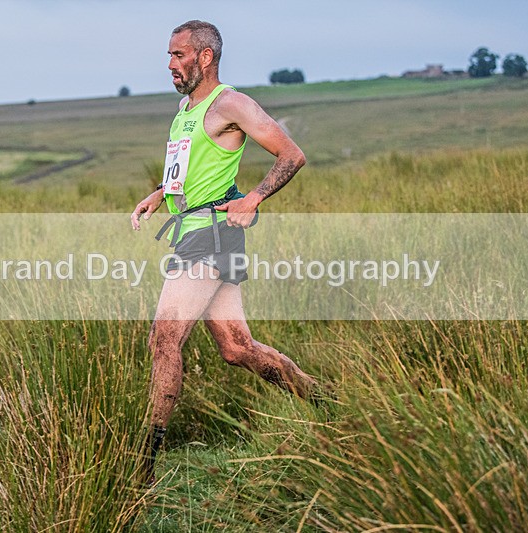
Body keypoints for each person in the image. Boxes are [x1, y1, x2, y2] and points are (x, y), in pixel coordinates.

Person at [131, 20, 320, 485]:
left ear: (205, 57)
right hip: (195, 231)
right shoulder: (186, 109)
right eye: (169, 55)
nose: (170, 63)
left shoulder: (230, 104)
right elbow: (191, 166)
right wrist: (160, 193)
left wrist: (254, 197)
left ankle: (143, 467)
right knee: (237, 348)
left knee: (163, 340)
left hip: (211, 237)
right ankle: (326, 402)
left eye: (179, 55)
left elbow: (291, 155)